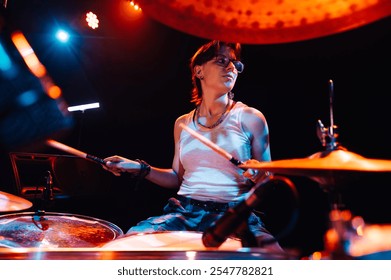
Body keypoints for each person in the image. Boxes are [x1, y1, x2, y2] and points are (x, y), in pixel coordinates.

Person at [103, 40, 284, 254]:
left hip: (235, 215)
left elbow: (269, 179)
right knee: (129, 246)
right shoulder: (183, 124)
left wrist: (258, 173)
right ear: (199, 70)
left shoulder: (251, 118)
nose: (231, 68)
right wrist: (139, 168)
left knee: (275, 259)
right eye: (222, 61)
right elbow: (177, 178)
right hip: (185, 212)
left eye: (235, 64)